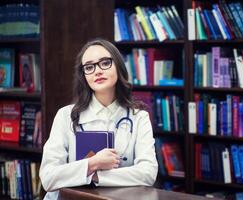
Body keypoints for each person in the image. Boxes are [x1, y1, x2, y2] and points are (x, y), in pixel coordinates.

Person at [39, 38, 158, 200]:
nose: (97, 71)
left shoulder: (138, 117)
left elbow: (147, 173)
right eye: (89, 67)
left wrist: (94, 176)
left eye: (105, 63)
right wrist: (93, 163)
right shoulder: (66, 116)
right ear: (84, 75)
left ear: (118, 66)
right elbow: (48, 177)